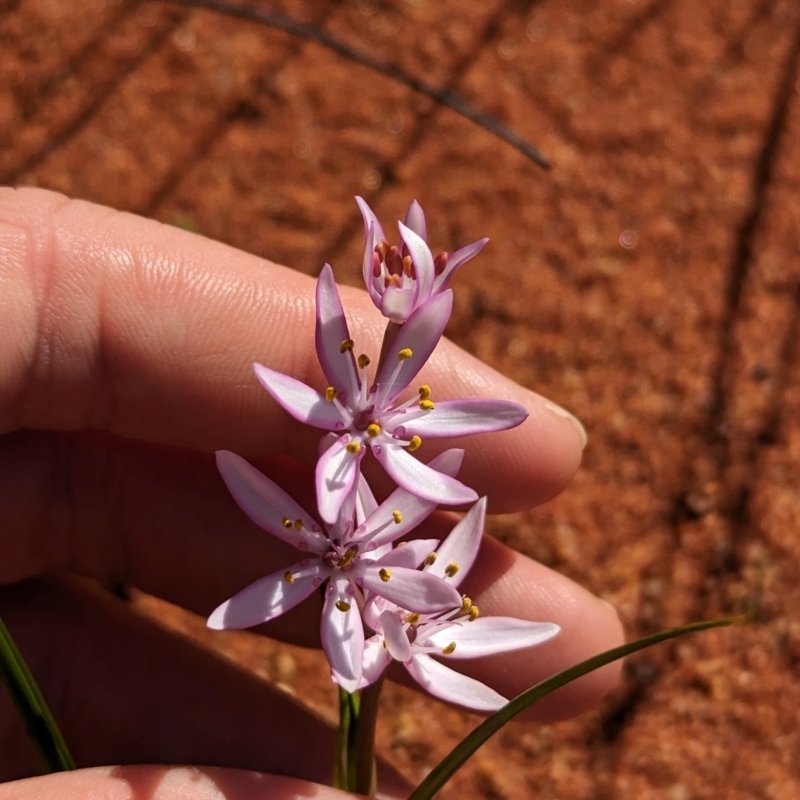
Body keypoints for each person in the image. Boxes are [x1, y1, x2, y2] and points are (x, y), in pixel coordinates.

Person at [0, 188, 623, 799]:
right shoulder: (348, 484)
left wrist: (389, 594)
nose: (370, 419)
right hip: (346, 573)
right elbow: (348, 515)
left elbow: (397, 533)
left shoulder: (376, 528)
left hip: (363, 583)